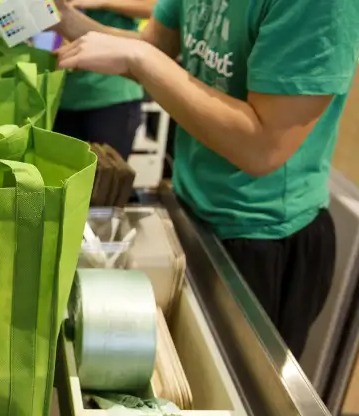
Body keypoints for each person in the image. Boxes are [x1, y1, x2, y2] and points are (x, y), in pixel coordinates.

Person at [51, 0, 359, 358]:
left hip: (261, 234)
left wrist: (141, 58)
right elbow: (155, 46)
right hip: (188, 207)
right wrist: (68, 21)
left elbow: (262, 149)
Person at [54, 0, 155, 160]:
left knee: (106, 179)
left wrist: (103, 2)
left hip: (111, 94)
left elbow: (159, 8)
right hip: (59, 92)